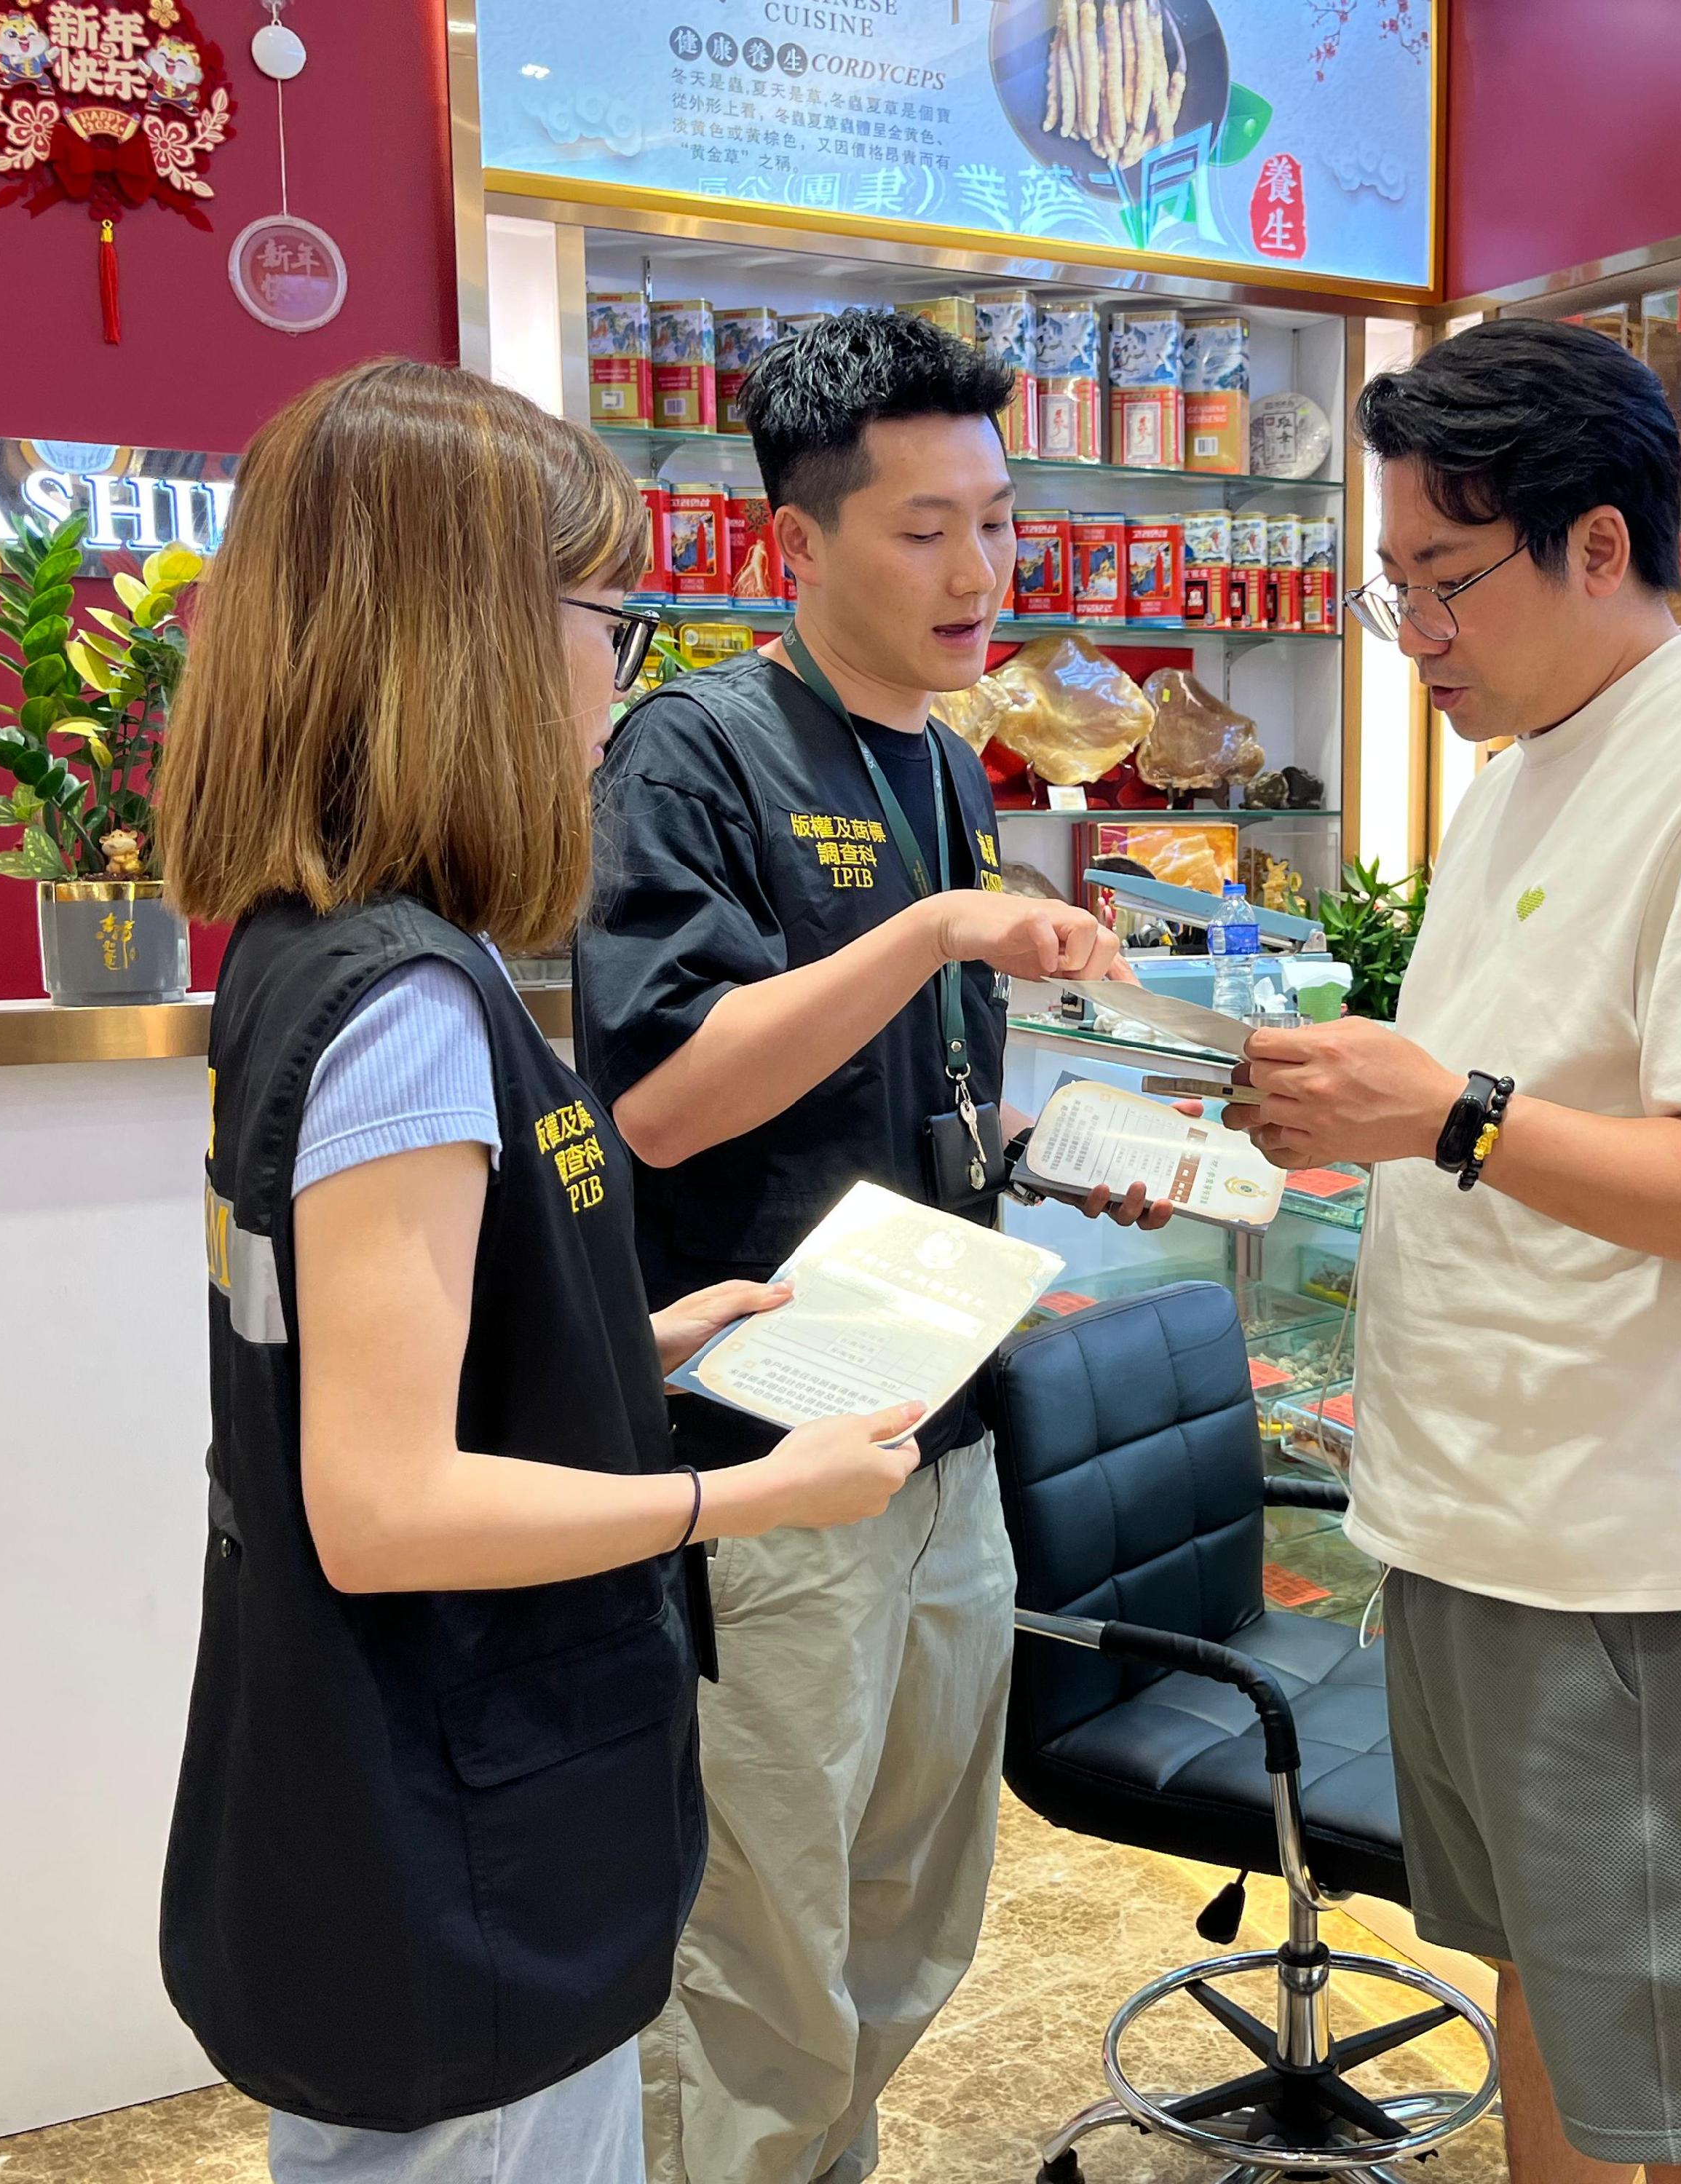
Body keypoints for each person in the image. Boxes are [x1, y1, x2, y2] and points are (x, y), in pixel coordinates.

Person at [157, 358, 925, 2184]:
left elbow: (404, 1353)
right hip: (455, 1822)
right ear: (474, 639)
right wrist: (733, 1498)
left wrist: (642, 1332)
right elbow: (385, 1502)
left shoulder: (328, 949)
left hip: (405, 1793)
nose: (621, 676)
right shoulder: (407, 1008)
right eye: (610, 622)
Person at [1233, 319, 1681, 2184]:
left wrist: (1444, 1112)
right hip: (1475, 1513)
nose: (1419, 636)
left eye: (1444, 582)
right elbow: (1504, 1124)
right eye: (1394, 592)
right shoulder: (1522, 764)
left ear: (1596, 547)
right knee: (1549, 1986)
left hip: (1633, 1551)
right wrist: (1353, 1118)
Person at [572, 308, 1158, 2184]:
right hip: (760, 1446)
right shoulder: (694, 755)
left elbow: (889, 1107)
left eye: (995, 517)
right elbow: (660, 1103)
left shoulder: (943, 764)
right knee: (759, 1930)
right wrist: (931, 935)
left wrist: (1050, 1152)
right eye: (923, 528)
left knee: (913, 1901)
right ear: (793, 541)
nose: (979, 571)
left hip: (940, 1422)